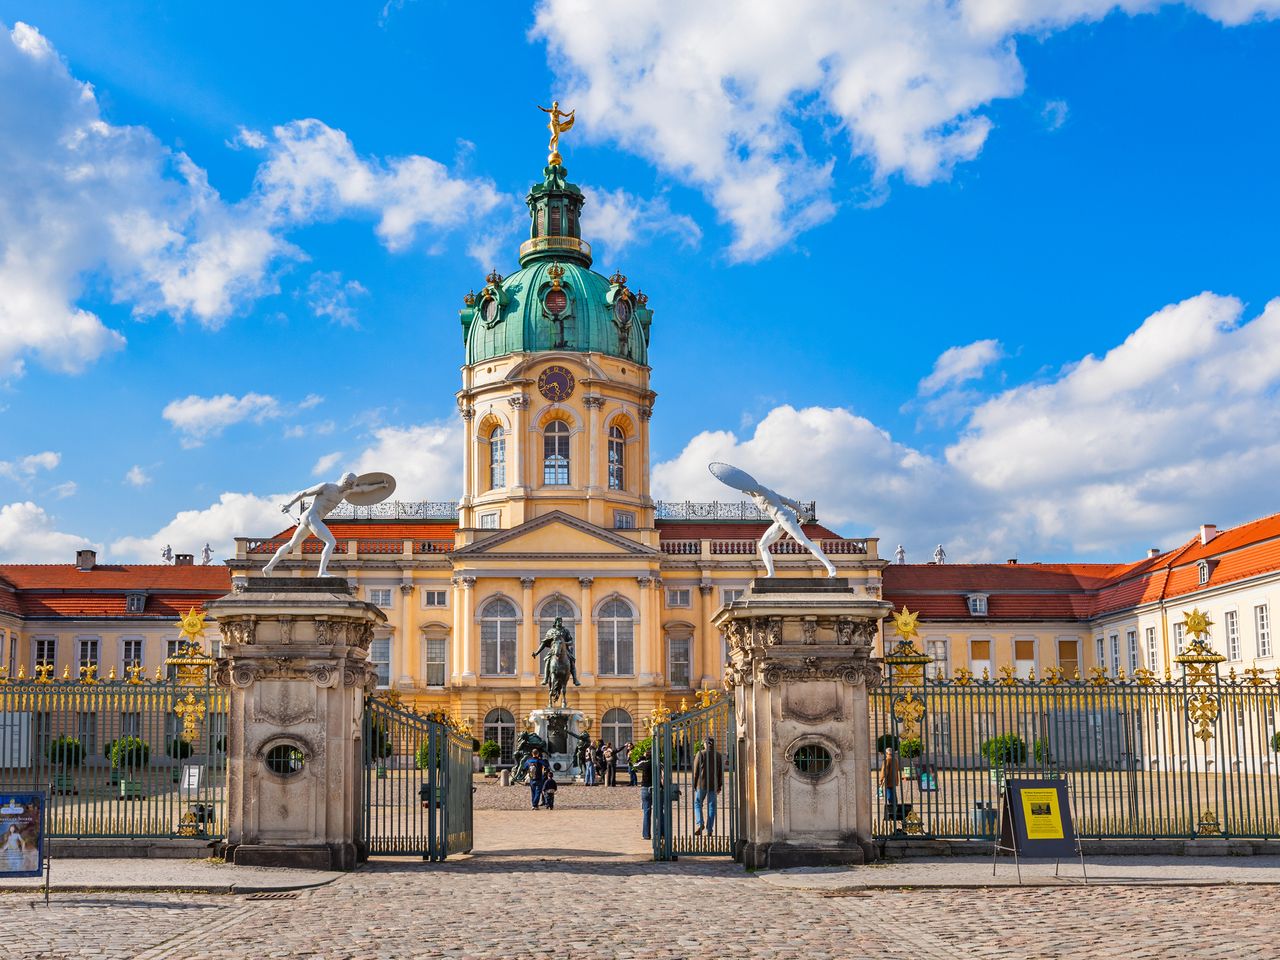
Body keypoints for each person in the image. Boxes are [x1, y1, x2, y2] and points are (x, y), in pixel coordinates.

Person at [691, 734, 723, 836]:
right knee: (711, 807)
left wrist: (694, 784)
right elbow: (720, 772)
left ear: (705, 744)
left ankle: (700, 823)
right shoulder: (718, 755)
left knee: (697, 803)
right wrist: (719, 786)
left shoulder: (700, 754)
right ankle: (709, 829)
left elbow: (696, 771)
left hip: (701, 784)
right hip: (713, 785)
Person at [879, 745, 902, 819]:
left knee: (889, 796)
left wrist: (881, 780)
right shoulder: (895, 760)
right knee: (894, 794)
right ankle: (895, 808)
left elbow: (884, 772)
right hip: (894, 780)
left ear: (887, 753)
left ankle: (891, 811)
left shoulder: (887, 760)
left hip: (888, 780)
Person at [637, 745, 654, 840]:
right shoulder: (657, 763)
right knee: (659, 812)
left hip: (645, 788)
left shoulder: (644, 763)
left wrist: (642, 757)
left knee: (647, 812)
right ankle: (661, 833)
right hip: (655, 787)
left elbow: (635, 764)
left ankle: (646, 834)